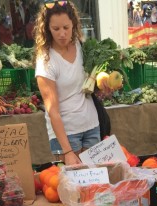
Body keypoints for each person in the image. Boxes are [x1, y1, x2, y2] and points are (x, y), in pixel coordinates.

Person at [34, 0, 100, 165]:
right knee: (73, 188)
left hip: (92, 126)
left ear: (74, 25)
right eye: (55, 29)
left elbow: (91, 84)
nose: (62, 33)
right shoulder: (46, 60)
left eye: (66, 28)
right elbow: (52, 110)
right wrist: (67, 150)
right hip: (67, 134)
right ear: (47, 29)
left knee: (95, 184)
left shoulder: (81, 46)